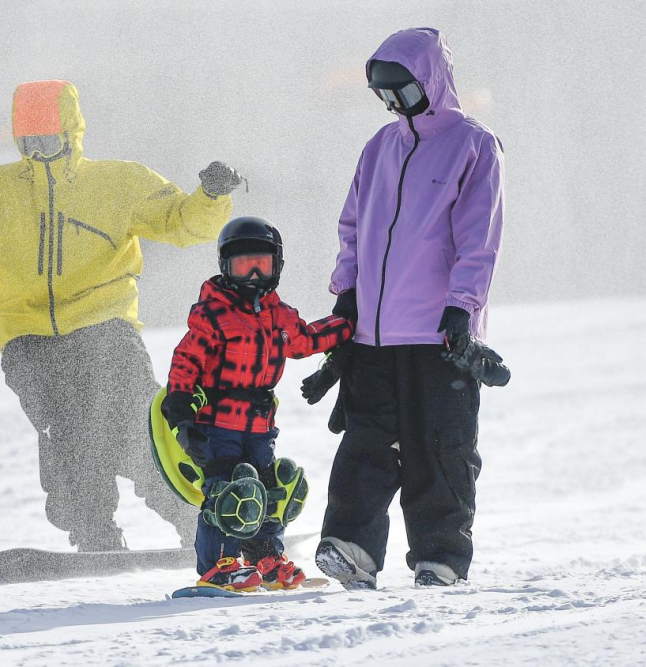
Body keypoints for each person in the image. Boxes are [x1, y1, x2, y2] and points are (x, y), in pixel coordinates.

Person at [0, 80, 243, 551]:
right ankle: (95, 534)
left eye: (49, 140)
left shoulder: (119, 182)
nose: (40, 151)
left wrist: (210, 196)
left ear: (71, 134)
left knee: (141, 426)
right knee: (68, 432)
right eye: (29, 142)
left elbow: (182, 222)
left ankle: (195, 519)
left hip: (105, 328)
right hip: (29, 338)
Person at [307, 28, 505, 589]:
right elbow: (353, 227)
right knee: (367, 442)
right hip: (372, 332)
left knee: (439, 447)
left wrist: (462, 308)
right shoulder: (379, 147)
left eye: (406, 94)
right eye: (386, 96)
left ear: (432, 84)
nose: (396, 106)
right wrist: (347, 295)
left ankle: (440, 557)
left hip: (437, 332)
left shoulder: (473, 144)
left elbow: (478, 238)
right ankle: (351, 547)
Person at [160, 216, 353, 591]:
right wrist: (183, 420)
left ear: (276, 266)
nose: (252, 276)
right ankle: (220, 565)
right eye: (242, 265)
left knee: (273, 492)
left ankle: (265, 558)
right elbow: (185, 364)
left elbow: (306, 340)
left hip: (261, 426)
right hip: (218, 426)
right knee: (228, 491)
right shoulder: (213, 315)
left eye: (260, 265)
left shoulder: (277, 315)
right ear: (225, 267)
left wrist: (349, 322)